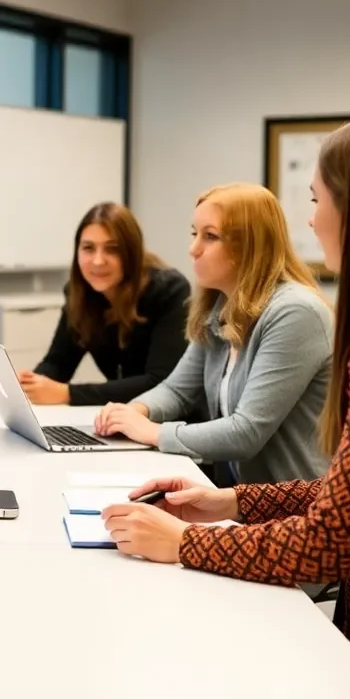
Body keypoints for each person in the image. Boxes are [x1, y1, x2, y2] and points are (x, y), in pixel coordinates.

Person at [103, 112, 350, 699]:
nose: (313, 220)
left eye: (317, 200)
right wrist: (231, 504)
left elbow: (334, 541)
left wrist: (185, 544)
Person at [94, 183, 332, 485]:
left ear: (249, 245)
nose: (193, 249)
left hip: (294, 511)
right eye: (195, 234)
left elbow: (246, 432)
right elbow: (177, 391)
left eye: (210, 236)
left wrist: (152, 432)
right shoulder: (221, 305)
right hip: (238, 503)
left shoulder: (296, 312)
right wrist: (131, 413)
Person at [18, 202, 190, 406]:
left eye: (112, 249)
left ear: (132, 253)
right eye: (88, 248)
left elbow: (159, 382)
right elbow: (59, 362)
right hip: (120, 418)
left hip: (167, 422)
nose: (98, 261)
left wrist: (69, 393)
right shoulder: (79, 293)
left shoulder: (169, 290)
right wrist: (33, 383)